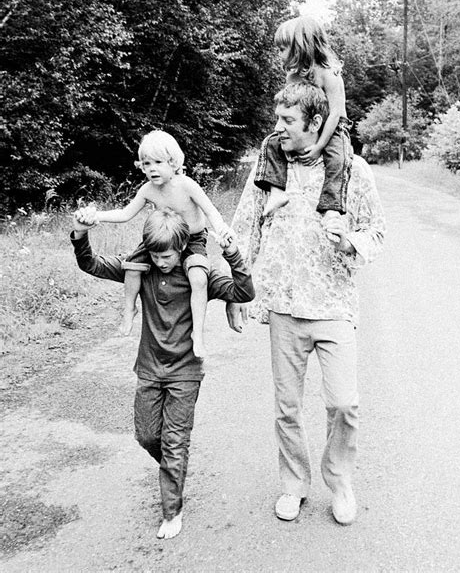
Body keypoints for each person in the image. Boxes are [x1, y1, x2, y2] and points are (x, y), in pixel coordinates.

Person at [228, 81, 385, 526]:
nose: (277, 129)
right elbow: (244, 232)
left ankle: (340, 482)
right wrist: (235, 291)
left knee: (343, 403)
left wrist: (349, 240)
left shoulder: (352, 171)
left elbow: (377, 232)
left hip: (334, 305)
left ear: (316, 122)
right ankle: (294, 485)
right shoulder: (269, 169)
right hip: (282, 304)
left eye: (287, 121)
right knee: (287, 406)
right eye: (276, 119)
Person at [71, 207, 254, 539]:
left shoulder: (200, 274)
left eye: (167, 255)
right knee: (147, 436)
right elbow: (92, 264)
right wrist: (81, 234)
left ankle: (172, 511)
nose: (161, 261)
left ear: (182, 247)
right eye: (155, 255)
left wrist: (231, 253)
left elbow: (243, 293)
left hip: (186, 371)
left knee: (173, 441)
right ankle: (175, 465)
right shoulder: (141, 270)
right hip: (150, 369)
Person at [74, 130, 232, 357]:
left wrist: (222, 229)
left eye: (158, 162)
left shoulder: (187, 185)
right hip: (163, 238)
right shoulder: (147, 189)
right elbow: (125, 213)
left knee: (198, 278)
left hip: (192, 239)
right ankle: (129, 309)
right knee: (132, 265)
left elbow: (211, 211)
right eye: (147, 164)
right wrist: (96, 216)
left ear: (174, 162)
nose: (152, 169)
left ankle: (198, 333)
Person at [254, 15, 353, 243]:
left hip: (333, 128)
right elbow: (291, 107)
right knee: (271, 143)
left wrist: (319, 145)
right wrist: (286, 130)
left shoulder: (329, 74)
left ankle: (331, 208)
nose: (279, 54)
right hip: (308, 127)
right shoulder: (293, 76)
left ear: (301, 46)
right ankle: (277, 192)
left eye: (283, 48)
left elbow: (336, 114)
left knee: (338, 159)